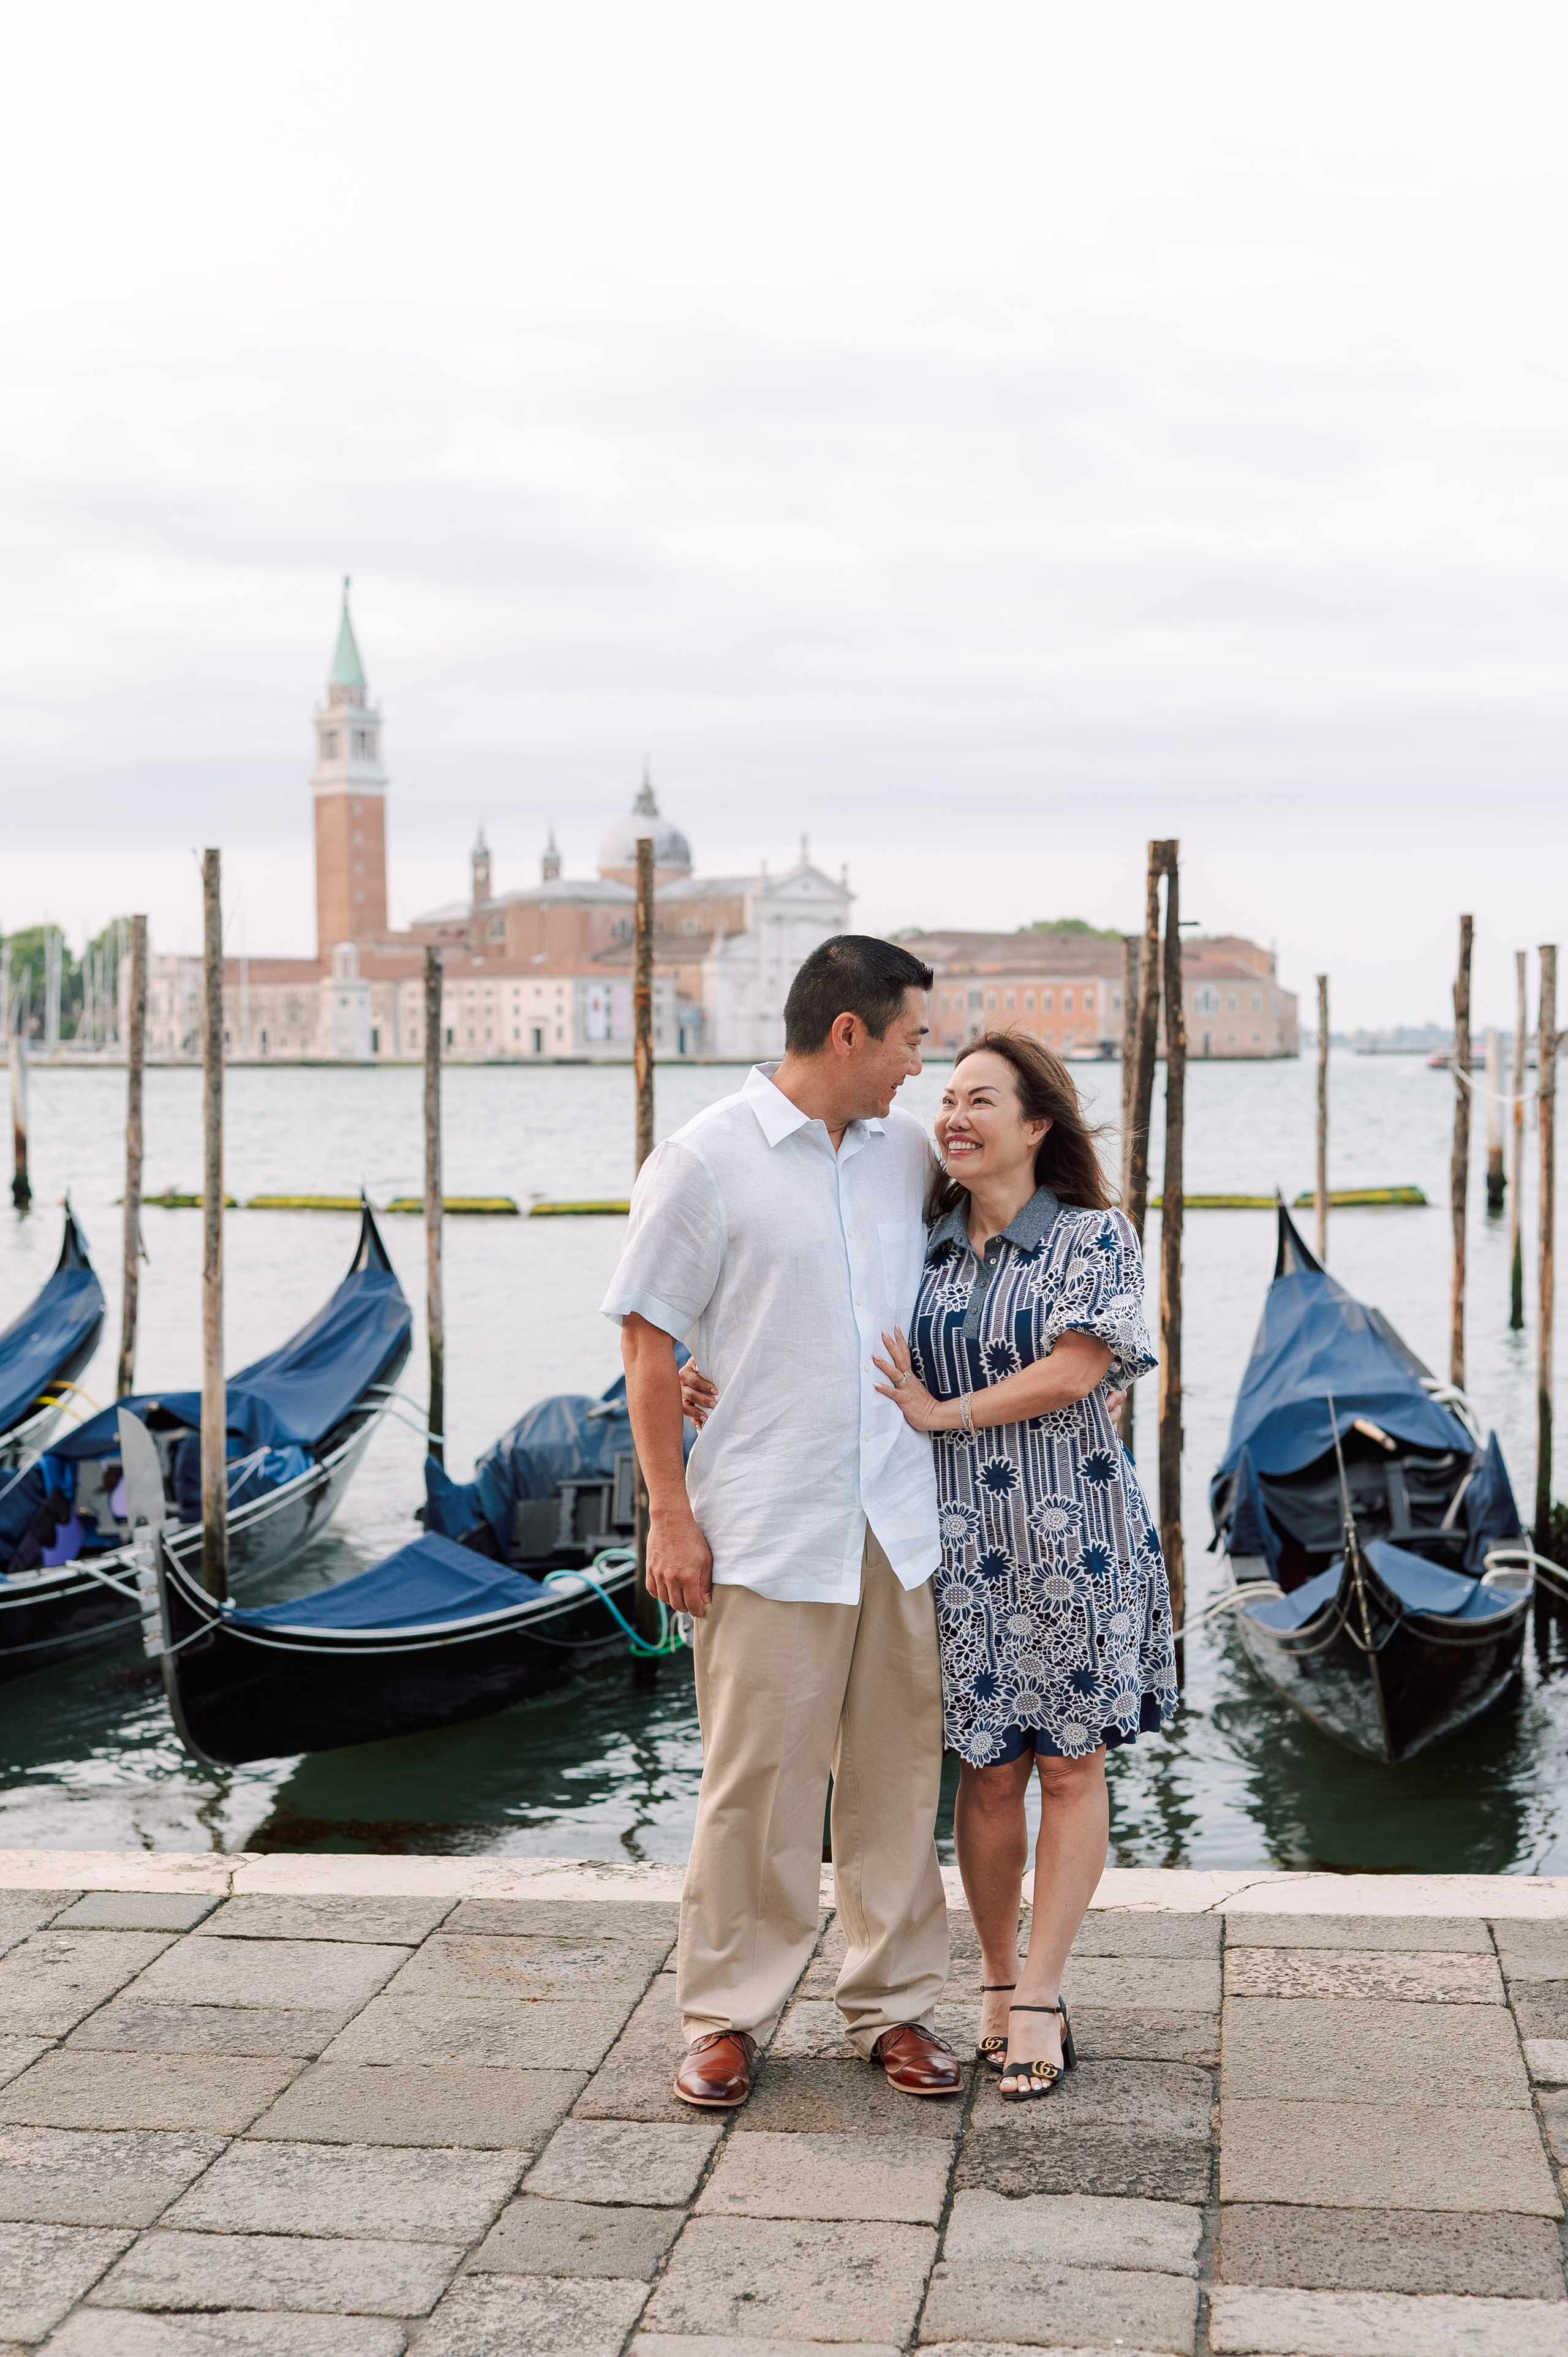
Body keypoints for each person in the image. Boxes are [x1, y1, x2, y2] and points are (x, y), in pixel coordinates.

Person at [601, 934, 962, 2111]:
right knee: (757, 1787)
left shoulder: (908, 1152)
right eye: (912, 1037)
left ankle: (895, 2005)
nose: (923, 1061)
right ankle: (727, 2015)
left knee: (900, 1782)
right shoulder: (703, 1161)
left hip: (897, 1514)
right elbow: (648, 1346)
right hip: (764, 1515)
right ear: (850, 1032)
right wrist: (672, 1516)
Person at [871, 1031, 1175, 2100]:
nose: (952, 1116)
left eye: (980, 1100)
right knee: (989, 1772)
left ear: (1038, 1124)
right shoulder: (924, 1239)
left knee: (1070, 1767)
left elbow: (1077, 1367)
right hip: (959, 1552)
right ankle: (998, 1984)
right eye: (946, 1098)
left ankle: (1044, 1991)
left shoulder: (1093, 1237)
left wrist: (940, 1411)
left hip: (1075, 1538)